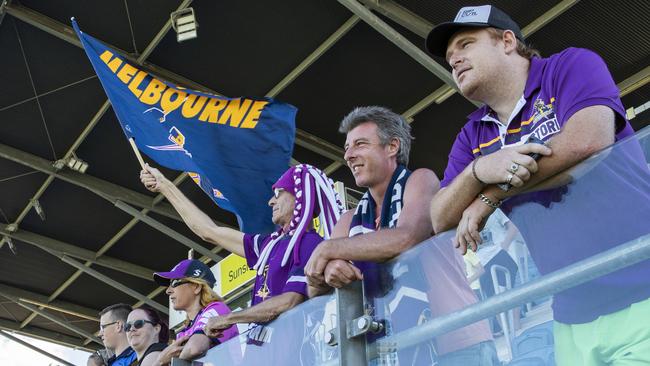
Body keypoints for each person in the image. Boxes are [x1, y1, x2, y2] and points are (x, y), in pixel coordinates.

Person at [427, 5, 650, 365]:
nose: (455, 61)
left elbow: (588, 140)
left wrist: (493, 194)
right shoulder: (472, 134)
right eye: (451, 59)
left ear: (507, 41)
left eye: (466, 45)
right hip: (571, 314)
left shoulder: (569, 66)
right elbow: (440, 218)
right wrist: (479, 170)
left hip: (643, 287)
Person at [305, 106, 497, 365]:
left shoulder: (420, 180)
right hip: (386, 354)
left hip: (459, 345)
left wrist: (329, 251)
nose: (349, 155)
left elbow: (406, 237)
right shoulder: (349, 221)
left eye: (360, 144)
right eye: (347, 147)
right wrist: (326, 273)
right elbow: (314, 290)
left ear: (392, 146)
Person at [141, 164, 343, 344]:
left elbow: (289, 300)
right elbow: (208, 231)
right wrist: (165, 186)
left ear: (300, 195)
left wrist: (229, 318)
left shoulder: (310, 243)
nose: (271, 202)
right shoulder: (269, 244)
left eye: (279, 193)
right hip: (262, 352)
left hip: (290, 355)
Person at [152, 259, 237, 364]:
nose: (168, 291)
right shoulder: (183, 332)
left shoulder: (217, 308)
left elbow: (194, 348)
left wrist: (163, 360)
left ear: (196, 287)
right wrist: (161, 360)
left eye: (174, 282)